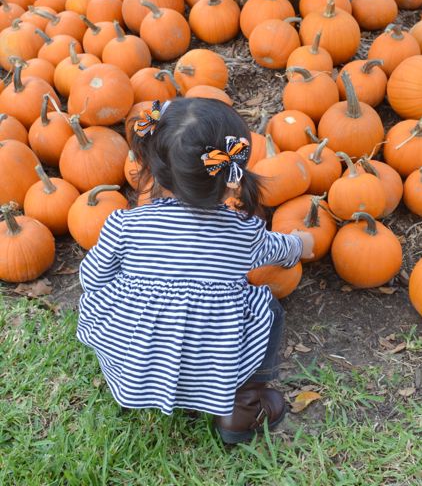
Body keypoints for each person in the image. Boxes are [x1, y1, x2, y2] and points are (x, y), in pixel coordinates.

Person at [77, 97, 314, 444]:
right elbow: (279, 250)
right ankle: (242, 406)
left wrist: (138, 293)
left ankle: (134, 379)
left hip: (138, 355)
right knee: (268, 308)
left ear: (154, 166)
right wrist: (301, 244)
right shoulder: (242, 232)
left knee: (115, 310)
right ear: (233, 174)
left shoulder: (125, 224)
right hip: (211, 356)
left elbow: (92, 279)